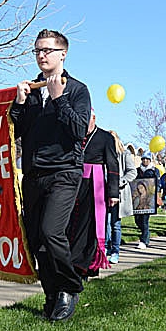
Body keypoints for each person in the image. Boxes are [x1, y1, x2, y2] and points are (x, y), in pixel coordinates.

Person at [9, 29, 91, 321]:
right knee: (36, 240)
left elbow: (78, 131)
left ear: (62, 54)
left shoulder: (77, 90)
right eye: (37, 51)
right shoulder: (30, 91)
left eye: (47, 50)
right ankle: (52, 294)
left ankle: (69, 287)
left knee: (51, 232)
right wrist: (18, 106)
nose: (41, 55)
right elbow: (17, 133)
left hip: (64, 172)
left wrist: (58, 99)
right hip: (34, 173)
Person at [68, 110, 119, 277]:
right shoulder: (75, 134)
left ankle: (85, 263)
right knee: (71, 224)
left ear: (94, 119)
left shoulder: (105, 137)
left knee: (89, 226)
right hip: (74, 183)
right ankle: (71, 260)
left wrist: (113, 193)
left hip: (94, 186)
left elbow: (112, 166)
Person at [106, 130, 137, 264]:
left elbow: (132, 172)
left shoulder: (125, 154)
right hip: (105, 192)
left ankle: (115, 251)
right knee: (105, 223)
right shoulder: (104, 154)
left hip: (119, 194)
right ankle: (105, 248)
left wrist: (120, 182)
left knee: (115, 224)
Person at [133, 151, 160, 249]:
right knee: (137, 220)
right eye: (143, 159)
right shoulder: (137, 170)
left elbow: (158, 184)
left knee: (145, 220)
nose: (145, 161)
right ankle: (146, 235)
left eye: (147, 159)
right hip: (138, 200)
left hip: (149, 200)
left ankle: (143, 240)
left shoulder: (154, 171)